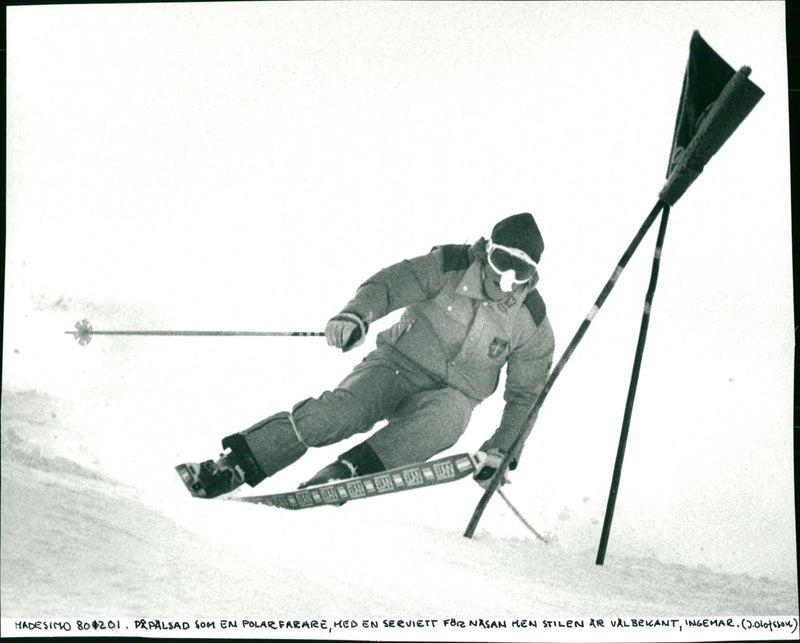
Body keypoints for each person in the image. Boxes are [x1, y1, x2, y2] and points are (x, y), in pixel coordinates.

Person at [177, 212, 555, 499]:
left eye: (519, 271)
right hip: (396, 366)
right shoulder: (449, 265)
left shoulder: (530, 321)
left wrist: (503, 449)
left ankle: (343, 476)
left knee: (448, 421)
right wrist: (356, 314)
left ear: (531, 275)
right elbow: (389, 285)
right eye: (501, 261)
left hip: (452, 396)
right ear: (486, 250)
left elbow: (526, 395)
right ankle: (233, 466)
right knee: (337, 414)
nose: (506, 276)